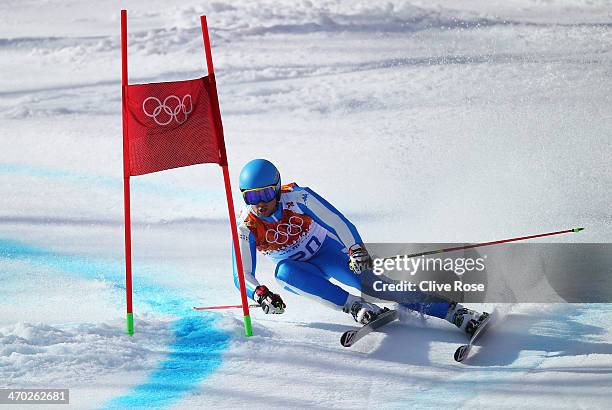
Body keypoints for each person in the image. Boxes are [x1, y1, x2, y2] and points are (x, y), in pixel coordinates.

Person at [232, 159, 487, 336]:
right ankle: (355, 307)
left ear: (276, 188)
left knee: (380, 287)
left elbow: (337, 221)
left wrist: (355, 249)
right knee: (283, 273)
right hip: (300, 271)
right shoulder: (246, 225)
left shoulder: (298, 197)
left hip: (327, 253)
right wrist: (260, 294)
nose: (260, 203)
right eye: (251, 196)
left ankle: (457, 313)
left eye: (265, 194)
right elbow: (241, 274)